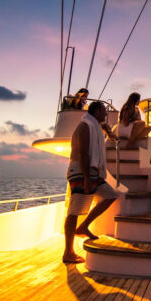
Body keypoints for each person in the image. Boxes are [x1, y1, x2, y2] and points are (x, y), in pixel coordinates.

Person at [63, 100, 118, 264]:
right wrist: (86, 177)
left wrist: (109, 132)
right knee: (73, 212)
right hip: (81, 171)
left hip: (94, 172)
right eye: (103, 110)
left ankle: (84, 226)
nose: (106, 114)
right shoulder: (85, 126)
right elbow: (83, 152)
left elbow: (104, 128)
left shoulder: (94, 125)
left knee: (110, 195)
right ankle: (68, 252)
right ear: (96, 111)